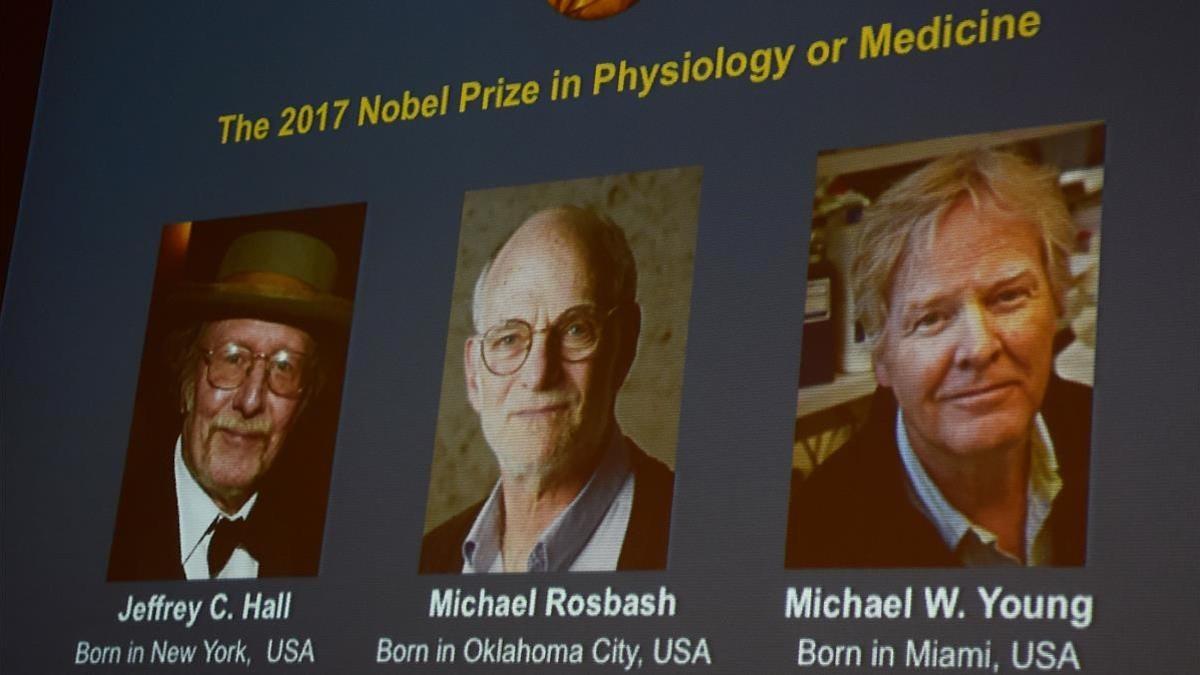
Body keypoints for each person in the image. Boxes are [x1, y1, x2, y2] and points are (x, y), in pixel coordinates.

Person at [786, 149, 1092, 567]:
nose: (980, 348)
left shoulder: (1124, 446)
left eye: (1008, 297)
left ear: (1057, 303)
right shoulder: (813, 537)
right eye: (931, 318)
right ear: (882, 359)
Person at [420, 206, 674, 573]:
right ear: (474, 375)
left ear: (624, 345)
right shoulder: (429, 559)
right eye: (509, 338)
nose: (539, 374)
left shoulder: (700, 536)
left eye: (575, 330)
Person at [108, 229, 351, 580]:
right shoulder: (106, 526)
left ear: (302, 404)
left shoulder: (325, 555)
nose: (251, 400)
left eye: (284, 367)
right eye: (232, 358)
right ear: (187, 380)